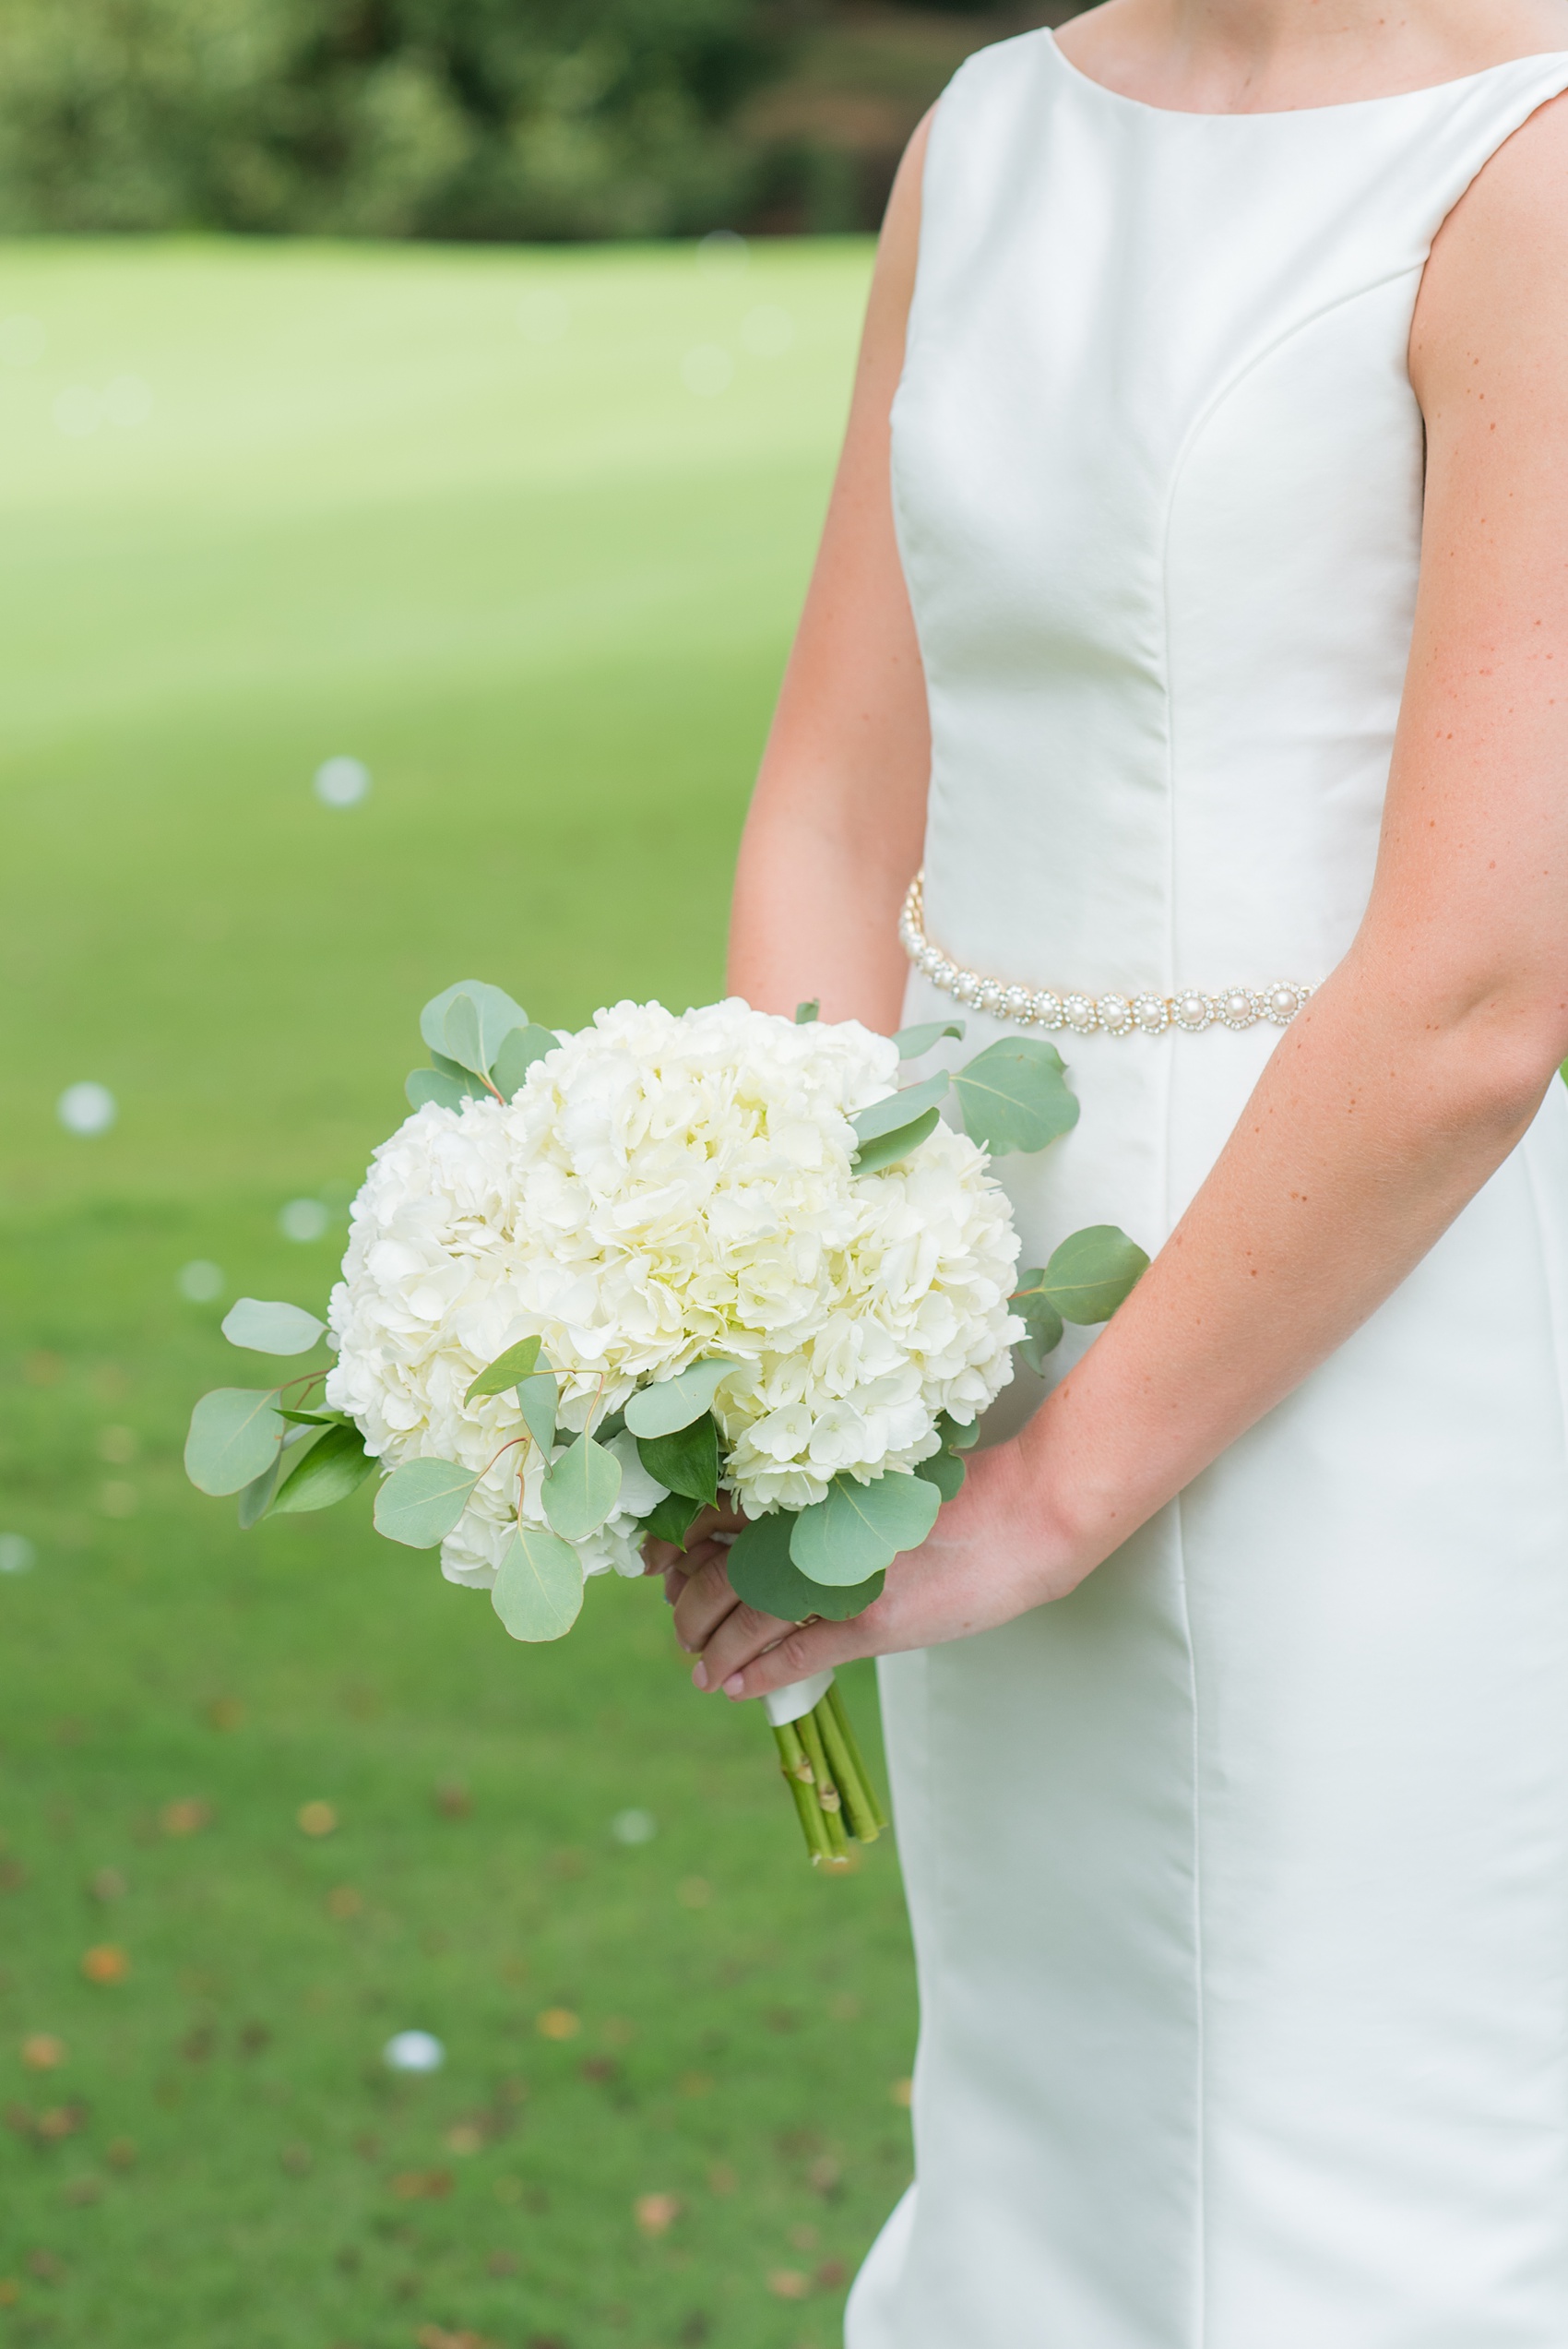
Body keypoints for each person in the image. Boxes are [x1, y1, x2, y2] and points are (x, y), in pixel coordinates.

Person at [646, 0, 1568, 2334]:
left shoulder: (1525, 159)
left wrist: (1055, 1498)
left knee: (1345, 2172)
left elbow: (1480, 991)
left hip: (1375, 1359)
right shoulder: (991, 137)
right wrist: (778, 1323)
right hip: (976, 1314)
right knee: (1049, 2150)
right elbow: (839, 809)